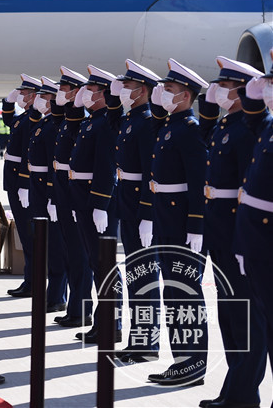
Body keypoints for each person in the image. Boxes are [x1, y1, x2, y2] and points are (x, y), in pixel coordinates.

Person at [196, 56, 267, 408]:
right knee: (229, 314)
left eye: (225, 87)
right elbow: (203, 140)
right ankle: (235, 387)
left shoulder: (247, 131)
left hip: (236, 231)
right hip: (220, 229)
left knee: (245, 316)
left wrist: (242, 238)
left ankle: (244, 391)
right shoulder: (226, 126)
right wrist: (209, 106)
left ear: (242, 92)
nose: (218, 92)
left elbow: (247, 187)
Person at [146, 58, 209, 386]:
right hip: (166, 218)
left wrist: (196, 225)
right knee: (173, 295)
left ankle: (192, 366)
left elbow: (199, 182)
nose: (162, 93)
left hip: (182, 223)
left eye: (168, 89)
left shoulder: (190, 130)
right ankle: (181, 362)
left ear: (185, 96)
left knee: (186, 295)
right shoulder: (171, 126)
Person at [107, 59, 163, 364]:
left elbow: (149, 173)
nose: (122, 90)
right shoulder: (131, 119)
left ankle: (146, 343)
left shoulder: (146, 123)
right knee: (134, 276)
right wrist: (113, 93)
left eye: (127, 86)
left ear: (142, 90)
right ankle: (137, 339)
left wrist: (147, 215)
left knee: (144, 278)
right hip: (127, 205)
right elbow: (110, 118)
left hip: (139, 208)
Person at [69, 65, 122, 345]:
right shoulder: (92, 121)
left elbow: (106, 167)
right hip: (83, 197)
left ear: (103, 94)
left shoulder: (106, 124)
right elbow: (69, 130)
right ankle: (103, 323)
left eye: (89, 90)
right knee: (95, 261)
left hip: (97, 198)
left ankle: (112, 323)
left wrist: (101, 202)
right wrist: (75, 106)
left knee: (105, 264)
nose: (85, 94)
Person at [234, 53, 273, 407]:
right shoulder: (269, 127)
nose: (269, 90)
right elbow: (252, 119)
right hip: (257, 243)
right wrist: (253, 92)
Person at [51, 66, 93, 329]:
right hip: (64, 188)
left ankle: (81, 310)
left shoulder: (83, 121)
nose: (59, 93)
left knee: (80, 256)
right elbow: (58, 118)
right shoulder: (70, 118)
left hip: (77, 190)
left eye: (64, 89)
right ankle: (75, 308)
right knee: (71, 253)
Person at [25, 77, 67, 313]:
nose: (39, 100)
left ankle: (57, 296)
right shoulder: (45, 123)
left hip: (46, 190)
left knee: (56, 247)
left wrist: (52, 195)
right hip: (38, 188)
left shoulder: (54, 126)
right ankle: (52, 293)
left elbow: (54, 164)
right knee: (46, 244)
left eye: (43, 97)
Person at [1, 74, 41, 298]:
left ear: (34, 96)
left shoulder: (34, 119)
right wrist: (7, 102)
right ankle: (30, 280)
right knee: (26, 236)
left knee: (29, 235)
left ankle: (33, 281)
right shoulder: (25, 117)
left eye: (24, 93)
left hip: (21, 183)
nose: (20, 96)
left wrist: (25, 182)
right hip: (14, 181)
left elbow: (29, 154)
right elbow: (9, 121)